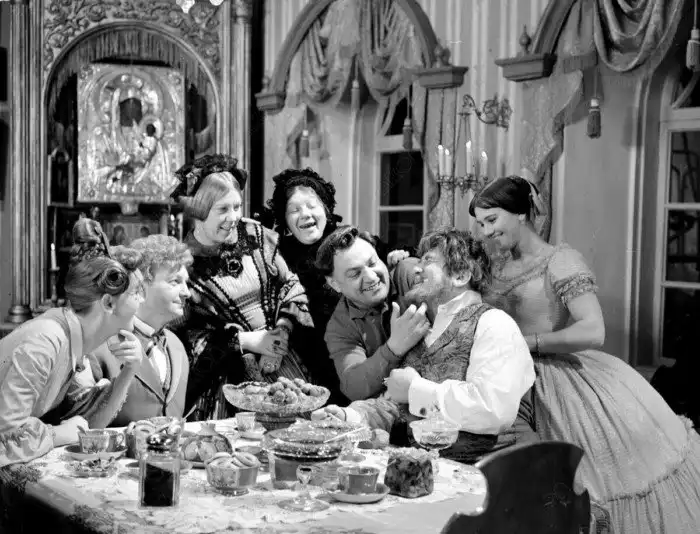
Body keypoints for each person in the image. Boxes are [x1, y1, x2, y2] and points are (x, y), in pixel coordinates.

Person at [470, 175, 700, 534]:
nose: (486, 231)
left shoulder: (560, 260)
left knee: (570, 488)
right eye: (481, 223)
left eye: (492, 219)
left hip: (555, 382)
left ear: (520, 213)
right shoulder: (494, 264)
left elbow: (594, 330)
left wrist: (527, 342)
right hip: (504, 377)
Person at [314, 228, 537, 463]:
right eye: (354, 273)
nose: (415, 269)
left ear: (461, 275)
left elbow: (492, 411)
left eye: (427, 261)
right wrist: (346, 416)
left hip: (503, 470)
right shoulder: (422, 333)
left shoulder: (494, 324)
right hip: (439, 472)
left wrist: (414, 389)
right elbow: (392, 406)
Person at [170, 155, 314, 420]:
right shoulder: (183, 264)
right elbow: (182, 337)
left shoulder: (255, 235)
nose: (234, 217)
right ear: (200, 210)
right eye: (223, 209)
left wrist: (281, 333)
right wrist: (246, 341)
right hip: (225, 384)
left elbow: (291, 286)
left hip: (282, 365)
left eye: (237, 206)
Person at [0, 218, 144, 466]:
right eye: (136, 293)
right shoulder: (46, 341)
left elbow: (88, 426)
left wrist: (129, 370)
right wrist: (57, 434)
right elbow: (5, 437)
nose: (142, 301)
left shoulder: (75, 344)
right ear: (108, 302)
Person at [263, 167, 410, 404]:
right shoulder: (278, 259)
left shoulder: (350, 242)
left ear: (326, 209)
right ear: (285, 221)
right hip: (318, 360)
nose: (305, 214)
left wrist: (396, 257)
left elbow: (384, 261)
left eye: (312, 205)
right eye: (294, 210)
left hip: (369, 346)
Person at [73, 234, 193, 427]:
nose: (187, 292)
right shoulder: (99, 344)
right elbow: (80, 425)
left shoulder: (176, 346)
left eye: (186, 282)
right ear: (141, 285)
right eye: (175, 281)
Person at [317, 225, 425, 401]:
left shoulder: (410, 273)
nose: (371, 277)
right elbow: (354, 386)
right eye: (355, 274)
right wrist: (394, 348)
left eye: (373, 263)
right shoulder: (340, 327)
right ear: (334, 284)